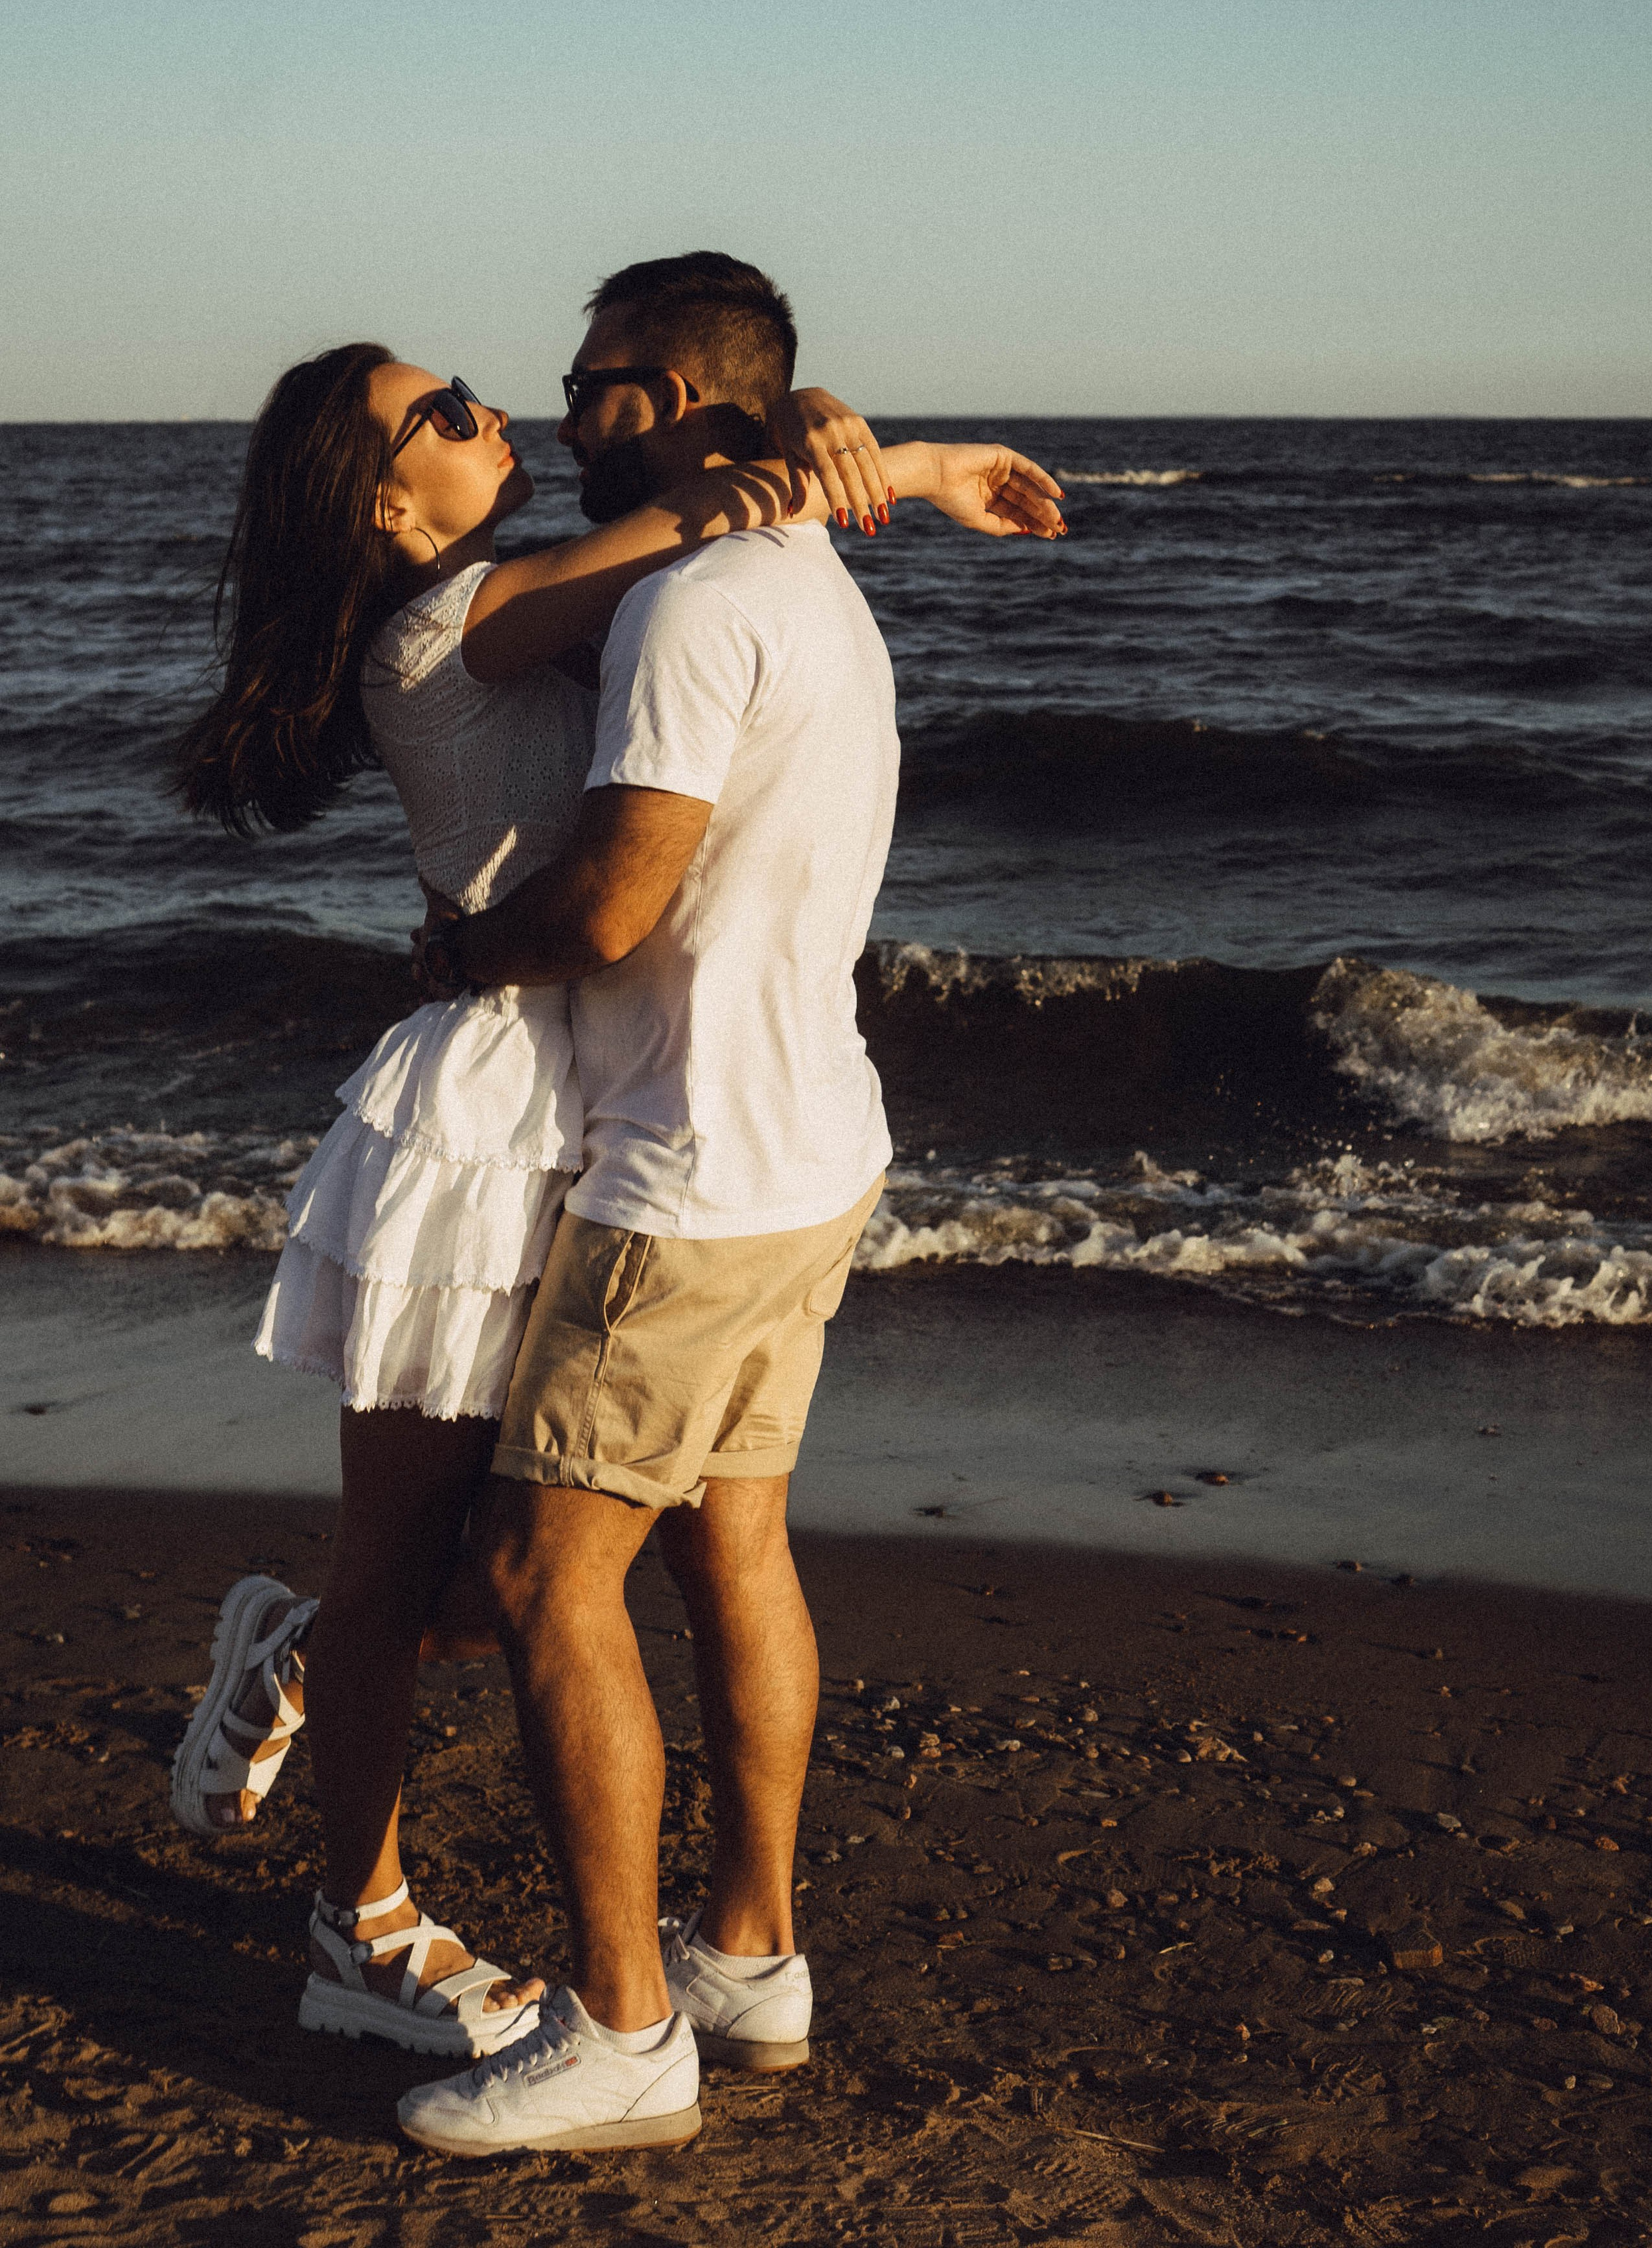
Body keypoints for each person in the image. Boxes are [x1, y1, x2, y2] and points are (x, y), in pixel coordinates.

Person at [168, 298, 1063, 2075]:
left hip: (622, 1109)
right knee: (433, 1551)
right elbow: (711, 516)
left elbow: (721, 512)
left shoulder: (534, 599)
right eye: (441, 409)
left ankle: (298, 1647)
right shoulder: (453, 622)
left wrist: (803, 415)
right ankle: (364, 1924)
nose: (484, 404)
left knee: (535, 1559)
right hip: (486, 1124)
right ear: (385, 506)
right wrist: (905, 455)